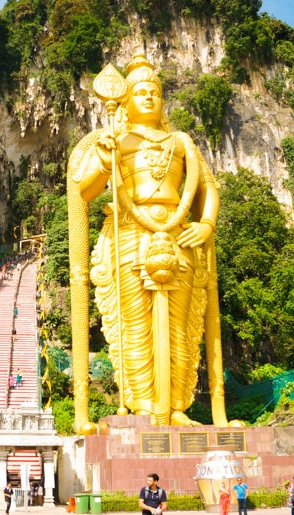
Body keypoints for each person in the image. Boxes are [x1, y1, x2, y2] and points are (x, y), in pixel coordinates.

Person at [72, 52, 225, 427]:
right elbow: (85, 189)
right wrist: (106, 158)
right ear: (125, 102)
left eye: (154, 91)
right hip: (130, 233)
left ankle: (175, 407)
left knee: (180, 323)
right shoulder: (117, 139)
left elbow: (208, 188)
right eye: (140, 91)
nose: (149, 97)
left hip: (178, 235)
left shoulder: (182, 141)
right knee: (135, 325)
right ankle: (143, 404)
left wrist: (205, 223)